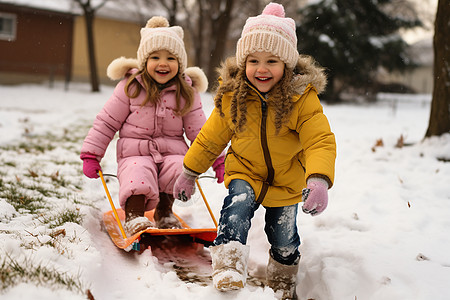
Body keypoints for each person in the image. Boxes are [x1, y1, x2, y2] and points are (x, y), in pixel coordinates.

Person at [172, 2, 336, 299]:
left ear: (287, 65)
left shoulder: (301, 99)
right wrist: (189, 172)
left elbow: (319, 140)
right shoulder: (233, 97)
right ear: (243, 61)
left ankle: (282, 281)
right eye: (253, 60)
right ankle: (228, 266)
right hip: (244, 170)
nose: (261, 69)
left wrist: (318, 179)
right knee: (237, 208)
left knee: (284, 237)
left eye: (272, 61)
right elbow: (210, 139)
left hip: (287, 180)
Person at [80, 16, 224, 236]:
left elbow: (202, 133)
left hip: (172, 151)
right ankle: (134, 216)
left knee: (180, 168)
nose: (163, 63)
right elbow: (106, 122)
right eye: (155, 57)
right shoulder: (131, 87)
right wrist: (92, 154)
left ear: (180, 63)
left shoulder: (186, 93)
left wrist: (218, 161)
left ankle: (165, 212)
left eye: (171, 58)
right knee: (138, 171)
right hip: (134, 152)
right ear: (144, 61)